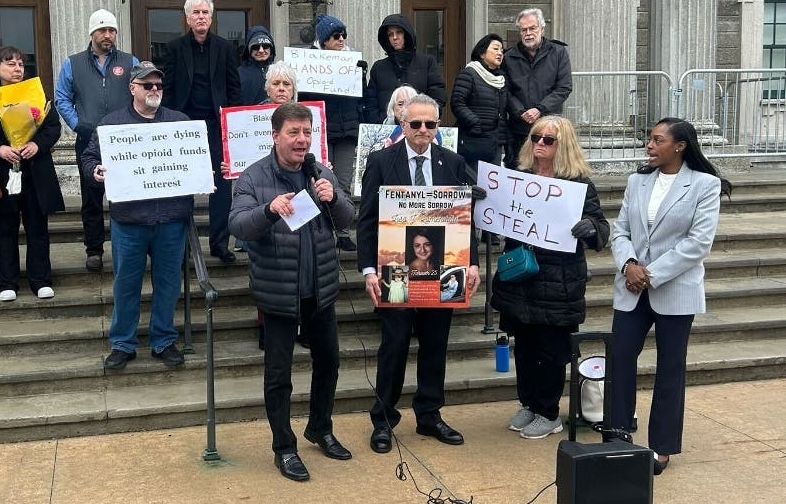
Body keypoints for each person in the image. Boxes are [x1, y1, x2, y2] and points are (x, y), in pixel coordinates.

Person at [229, 102, 356, 482]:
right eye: (293, 133)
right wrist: (269, 210)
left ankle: (320, 427)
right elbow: (237, 224)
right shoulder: (253, 178)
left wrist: (333, 198)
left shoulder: (320, 172)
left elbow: (349, 217)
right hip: (279, 292)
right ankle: (283, 447)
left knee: (329, 362)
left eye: (307, 133)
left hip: (320, 288)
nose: (302, 141)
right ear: (275, 135)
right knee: (279, 374)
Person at [357, 94, 482, 453]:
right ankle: (383, 419)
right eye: (416, 124)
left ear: (438, 127)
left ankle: (429, 415)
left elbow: (464, 219)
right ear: (403, 126)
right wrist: (368, 270)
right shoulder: (381, 161)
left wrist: (471, 262)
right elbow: (366, 221)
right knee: (394, 345)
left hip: (443, 268)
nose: (423, 130)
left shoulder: (453, 162)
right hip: (395, 269)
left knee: (435, 344)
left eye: (430, 124)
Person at [609, 118, 730, 476]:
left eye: (657, 139)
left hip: (674, 288)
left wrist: (651, 274)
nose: (650, 145)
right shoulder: (637, 180)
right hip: (631, 287)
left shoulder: (704, 185)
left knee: (670, 369)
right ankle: (617, 434)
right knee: (619, 358)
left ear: (679, 146)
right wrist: (629, 264)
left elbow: (697, 244)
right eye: (649, 138)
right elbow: (621, 230)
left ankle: (661, 446)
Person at [490, 116, 608, 439]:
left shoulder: (579, 185)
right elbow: (497, 214)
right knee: (525, 346)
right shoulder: (520, 178)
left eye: (548, 140)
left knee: (552, 350)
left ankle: (549, 411)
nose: (539, 143)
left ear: (563, 146)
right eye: (535, 137)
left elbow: (602, 228)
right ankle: (529, 403)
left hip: (559, 281)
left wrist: (591, 229)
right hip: (521, 278)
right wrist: (481, 202)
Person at [82, 63, 191, 371]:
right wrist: (95, 170)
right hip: (129, 220)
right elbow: (89, 157)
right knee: (125, 284)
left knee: (168, 283)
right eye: (147, 85)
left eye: (158, 85)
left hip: (170, 218)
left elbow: (195, 157)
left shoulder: (179, 122)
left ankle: (163, 339)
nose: (154, 89)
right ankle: (122, 343)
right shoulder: (112, 124)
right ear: (132, 88)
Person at [0, 45, 64, 302]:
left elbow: (52, 126)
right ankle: (6, 281)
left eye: (20, 64)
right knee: (5, 227)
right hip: (1, 170)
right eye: (10, 63)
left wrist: (36, 144)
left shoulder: (34, 93)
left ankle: (40, 279)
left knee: (37, 227)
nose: (17, 68)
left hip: (34, 169)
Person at [55, 9, 139, 272]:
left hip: (124, 141)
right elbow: (61, 97)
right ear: (92, 32)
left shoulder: (129, 61)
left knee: (125, 198)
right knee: (91, 200)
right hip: (89, 141)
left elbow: (140, 90)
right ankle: (94, 250)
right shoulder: (73, 63)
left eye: (112, 30)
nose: (108, 35)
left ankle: (126, 248)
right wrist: (78, 125)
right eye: (102, 30)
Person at [159, 0, 241, 263]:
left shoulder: (226, 48)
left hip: (217, 125)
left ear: (211, 17)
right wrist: (169, 121)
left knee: (220, 186)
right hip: (185, 126)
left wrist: (233, 121)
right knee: (183, 186)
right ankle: (183, 247)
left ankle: (219, 244)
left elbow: (233, 87)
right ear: (187, 18)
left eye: (205, 12)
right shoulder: (173, 48)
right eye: (196, 13)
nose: (201, 17)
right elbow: (167, 90)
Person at [300, 14, 363, 252]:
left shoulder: (352, 63)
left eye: (343, 35)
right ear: (324, 40)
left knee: (343, 183)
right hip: (320, 131)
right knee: (319, 180)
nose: (341, 39)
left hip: (346, 132)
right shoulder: (310, 63)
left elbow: (360, 99)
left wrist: (361, 76)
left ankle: (344, 231)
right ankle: (320, 228)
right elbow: (304, 98)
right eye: (336, 36)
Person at [502, 8, 572, 168]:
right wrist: (520, 111)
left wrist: (539, 109)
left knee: (549, 170)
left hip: (550, 127)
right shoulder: (509, 57)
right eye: (523, 30)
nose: (528, 33)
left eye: (532, 28)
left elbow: (564, 87)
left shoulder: (558, 52)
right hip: (519, 128)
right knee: (520, 171)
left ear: (542, 29)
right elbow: (505, 90)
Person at [364, 15, 446, 124]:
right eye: (390, 34)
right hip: (387, 130)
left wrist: (424, 120)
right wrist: (383, 122)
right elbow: (370, 103)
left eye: (399, 32)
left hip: (420, 127)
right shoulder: (379, 67)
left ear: (406, 35)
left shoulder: (427, 62)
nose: (395, 37)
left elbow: (437, 96)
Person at [451, 33, 509, 169]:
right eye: (495, 49)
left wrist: (504, 140)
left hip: (494, 143)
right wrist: (475, 123)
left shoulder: (501, 79)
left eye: (502, 50)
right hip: (473, 139)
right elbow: (457, 103)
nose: (500, 53)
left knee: (491, 186)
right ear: (482, 53)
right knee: (473, 185)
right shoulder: (469, 73)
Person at [238, 26, 275, 106]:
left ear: (271, 48)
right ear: (249, 50)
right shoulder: (238, 74)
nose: (261, 50)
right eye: (256, 47)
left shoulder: (279, 72)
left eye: (265, 46)